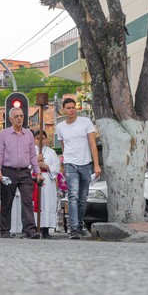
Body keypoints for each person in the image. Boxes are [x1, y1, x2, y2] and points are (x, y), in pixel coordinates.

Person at [0, 107, 44, 239]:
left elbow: (33, 155)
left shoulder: (28, 134)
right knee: (7, 201)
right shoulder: (4, 134)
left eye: (21, 116)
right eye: (16, 116)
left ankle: (30, 230)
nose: (19, 118)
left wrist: (38, 172)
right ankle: (5, 230)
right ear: (10, 119)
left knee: (28, 201)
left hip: (25, 172)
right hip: (8, 171)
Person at [55, 97, 101, 240]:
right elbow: (63, 146)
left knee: (82, 198)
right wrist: (64, 163)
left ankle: (79, 225)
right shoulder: (60, 127)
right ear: (63, 110)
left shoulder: (86, 122)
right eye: (68, 108)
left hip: (86, 164)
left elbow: (93, 144)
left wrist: (96, 164)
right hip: (70, 164)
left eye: (73, 107)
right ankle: (73, 228)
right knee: (73, 195)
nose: (71, 110)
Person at [34, 130, 60, 239]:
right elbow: (26, 165)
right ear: (34, 139)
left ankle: (46, 230)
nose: (40, 141)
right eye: (38, 138)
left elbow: (56, 168)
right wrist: (36, 162)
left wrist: (45, 166)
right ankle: (35, 228)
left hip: (48, 180)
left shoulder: (51, 152)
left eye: (42, 138)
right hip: (34, 178)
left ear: (46, 139)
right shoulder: (30, 151)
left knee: (47, 204)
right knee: (37, 204)